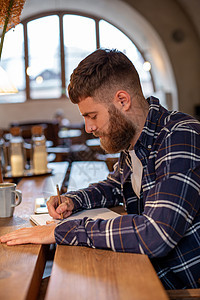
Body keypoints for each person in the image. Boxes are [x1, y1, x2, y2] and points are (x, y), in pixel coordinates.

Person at [1, 49, 200, 290]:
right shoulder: (134, 140)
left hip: (176, 284)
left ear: (123, 100)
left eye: (92, 115)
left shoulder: (180, 135)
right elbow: (114, 186)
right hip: (140, 265)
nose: (88, 128)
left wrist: (66, 230)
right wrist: (74, 200)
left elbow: (156, 234)